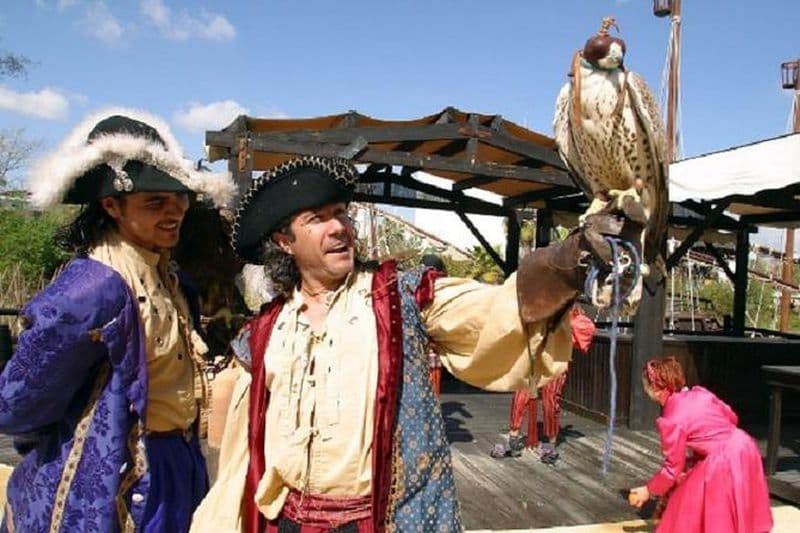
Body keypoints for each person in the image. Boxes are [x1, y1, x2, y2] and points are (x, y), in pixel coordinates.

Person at [191, 155, 644, 532]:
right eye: (316, 219)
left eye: (341, 214)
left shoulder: (400, 297)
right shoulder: (267, 330)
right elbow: (240, 450)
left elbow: (493, 310)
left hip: (376, 523)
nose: (339, 228)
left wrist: (570, 258)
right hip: (283, 522)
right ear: (282, 242)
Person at [0, 109, 235, 532]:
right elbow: (16, 406)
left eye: (179, 198)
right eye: (154, 202)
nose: (174, 211)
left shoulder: (174, 279)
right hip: (110, 478)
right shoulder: (89, 291)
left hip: (178, 467)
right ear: (111, 205)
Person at [628, 357, 773, 533]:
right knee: (741, 506)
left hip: (723, 459)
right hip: (745, 445)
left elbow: (673, 467)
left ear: (655, 389)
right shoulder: (700, 393)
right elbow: (732, 417)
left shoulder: (671, 420)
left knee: (687, 502)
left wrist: (648, 490)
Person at [506, 305, 595, 463]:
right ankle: (513, 435)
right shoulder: (538, 306)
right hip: (535, 357)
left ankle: (551, 441)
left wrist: (568, 323)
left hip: (556, 361)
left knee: (550, 400)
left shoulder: (571, 313)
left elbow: (584, 330)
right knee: (522, 392)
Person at [420, 253, 447, 397]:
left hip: (419, 345)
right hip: (432, 342)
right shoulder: (443, 286)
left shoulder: (415, 285)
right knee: (432, 381)